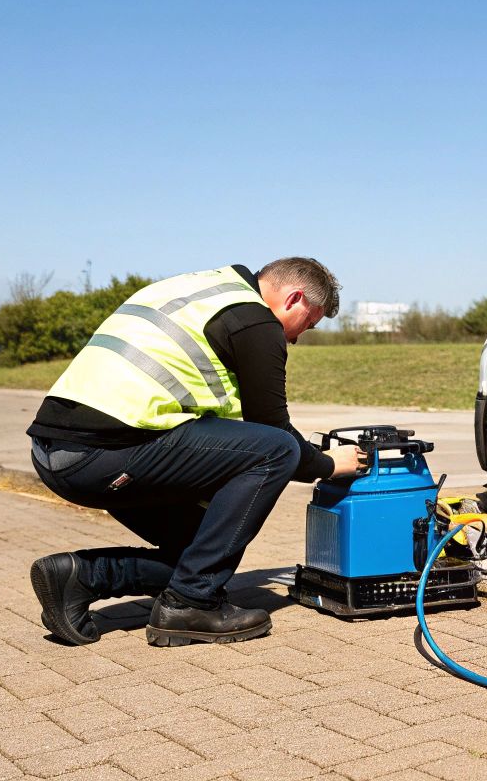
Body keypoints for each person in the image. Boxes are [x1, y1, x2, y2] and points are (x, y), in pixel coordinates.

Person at [25, 258, 364, 647]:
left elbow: (229, 431)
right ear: (295, 299)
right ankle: (189, 605)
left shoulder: (199, 291)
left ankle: (83, 576)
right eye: (309, 324)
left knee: (202, 550)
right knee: (276, 452)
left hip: (58, 452)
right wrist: (327, 464)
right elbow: (273, 433)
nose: (297, 338)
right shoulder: (255, 321)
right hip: (102, 455)